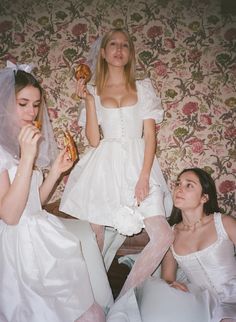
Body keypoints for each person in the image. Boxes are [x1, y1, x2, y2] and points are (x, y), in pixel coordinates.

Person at [59, 27, 174, 298]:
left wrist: (144, 177)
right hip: (104, 166)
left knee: (163, 235)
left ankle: (124, 298)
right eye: (113, 44)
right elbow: (93, 141)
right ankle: (96, 300)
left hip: (139, 163)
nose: (119, 49)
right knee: (94, 237)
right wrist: (88, 100)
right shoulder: (93, 90)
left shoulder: (143, 87)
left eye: (125, 45)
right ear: (103, 52)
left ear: (130, 53)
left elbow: (149, 137)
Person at [0, 63, 108, 322]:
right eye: (23, 103)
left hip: (40, 237)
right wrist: (28, 157)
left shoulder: (19, 143)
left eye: (36, 104)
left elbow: (33, 201)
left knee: (90, 314)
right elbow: (10, 215)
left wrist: (57, 171)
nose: (31, 112)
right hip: (18, 249)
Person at [135, 168, 236, 322]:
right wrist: (172, 285)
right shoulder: (170, 235)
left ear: (204, 197)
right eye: (178, 184)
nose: (179, 189)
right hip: (204, 306)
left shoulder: (224, 223)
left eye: (189, 185)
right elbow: (167, 278)